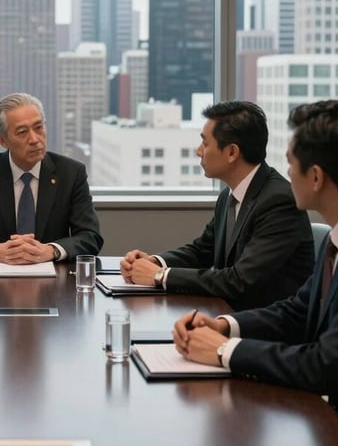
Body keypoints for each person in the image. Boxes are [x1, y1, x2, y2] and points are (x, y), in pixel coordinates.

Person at [173, 100, 338, 425]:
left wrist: (223, 351)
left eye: (291, 163)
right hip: (325, 412)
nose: (286, 174)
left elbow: (325, 364)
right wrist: (224, 326)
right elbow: (298, 310)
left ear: (315, 177)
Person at [121, 101, 314, 310]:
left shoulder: (278, 201)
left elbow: (241, 280)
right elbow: (202, 250)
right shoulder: (229, 195)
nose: (198, 151)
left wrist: (160, 276)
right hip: (228, 314)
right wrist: (156, 262)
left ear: (232, 152)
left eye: (205, 143)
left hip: (264, 328)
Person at [0, 92, 103, 262]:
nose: (34, 139)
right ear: (2, 140)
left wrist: (52, 251)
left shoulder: (71, 173)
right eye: (22, 132)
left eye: (39, 127)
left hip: (56, 282)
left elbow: (90, 237)